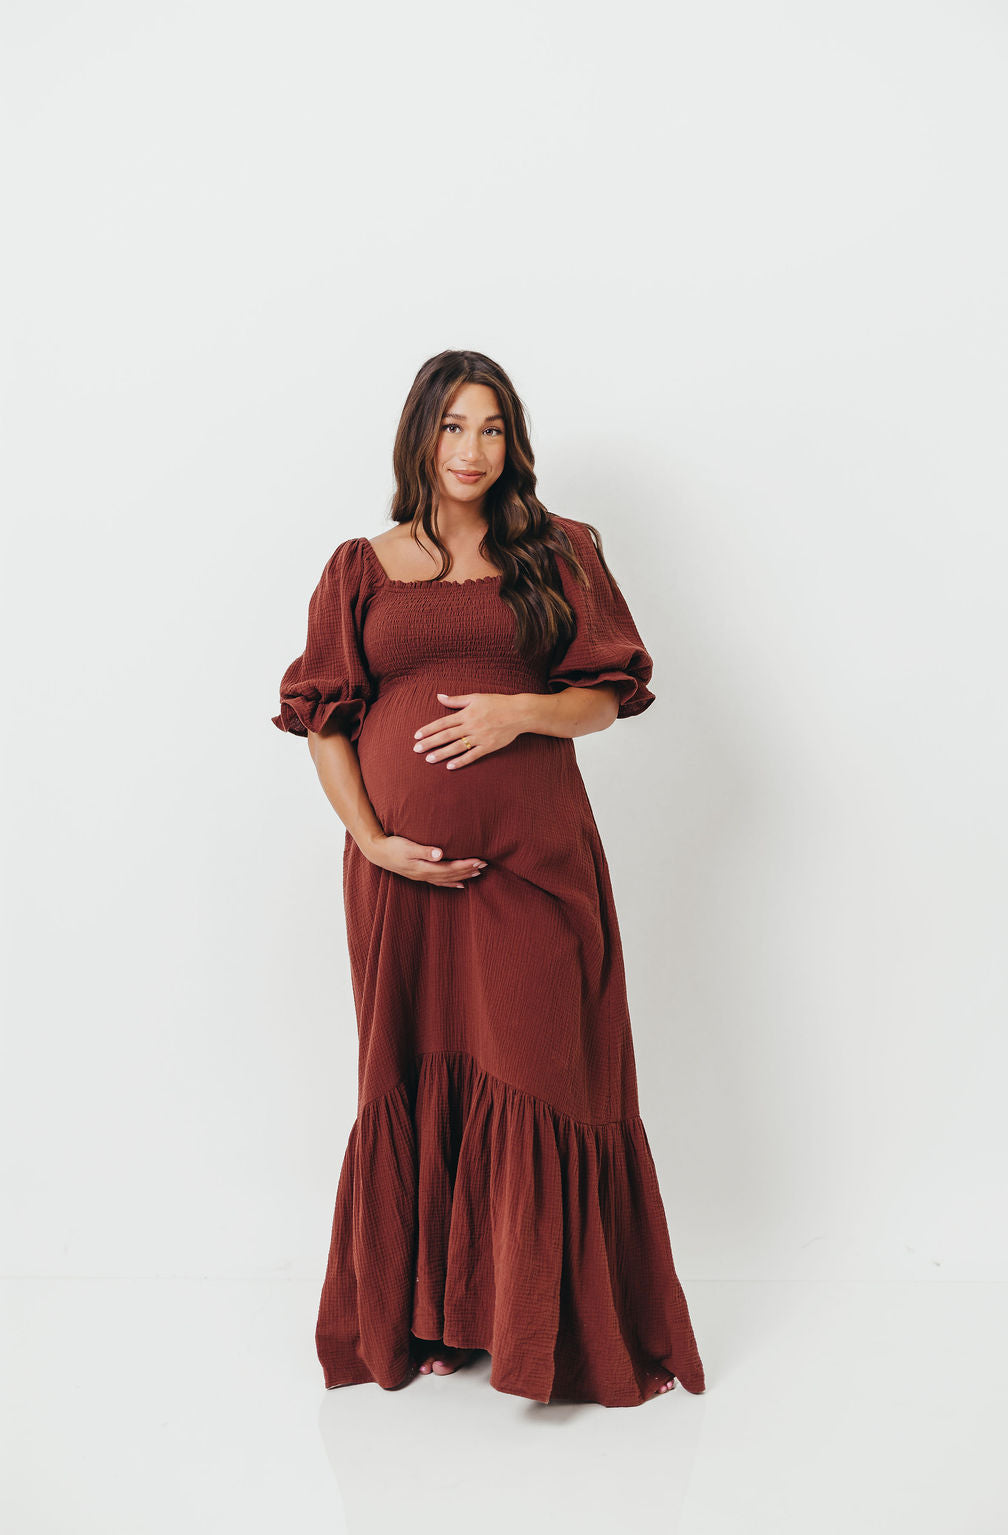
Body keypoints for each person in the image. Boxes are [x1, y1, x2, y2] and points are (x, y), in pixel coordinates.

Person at [271, 349, 705, 1407]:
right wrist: (373, 839)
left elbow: (605, 698)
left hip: (536, 862)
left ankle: (550, 1330)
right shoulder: (359, 568)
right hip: (401, 878)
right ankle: (432, 1318)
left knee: (546, 1069)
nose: (473, 449)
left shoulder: (560, 551)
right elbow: (324, 721)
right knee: (416, 1074)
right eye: (454, 426)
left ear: (514, 444)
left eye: (493, 428)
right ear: (420, 435)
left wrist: (517, 711)